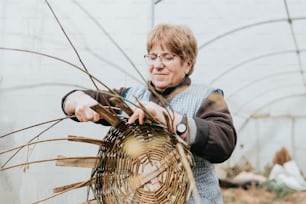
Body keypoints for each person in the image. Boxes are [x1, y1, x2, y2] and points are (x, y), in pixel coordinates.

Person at [61, 23, 237, 204]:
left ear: (187, 64)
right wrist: (77, 100)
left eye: (168, 58)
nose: (157, 65)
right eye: (153, 57)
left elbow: (224, 141)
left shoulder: (206, 97)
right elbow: (74, 101)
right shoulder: (131, 97)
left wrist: (170, 119)